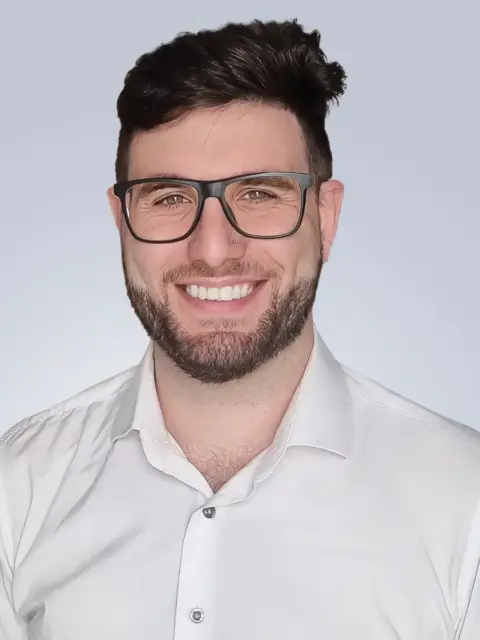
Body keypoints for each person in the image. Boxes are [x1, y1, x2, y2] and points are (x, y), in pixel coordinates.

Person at [0, 18, 479, 640]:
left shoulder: (465, 502)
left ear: (325, 218)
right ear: (122, 220)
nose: (215, 248)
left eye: (259, 194)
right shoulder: (18, 487)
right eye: (169, 197)